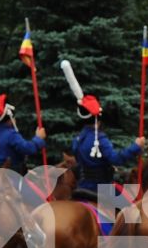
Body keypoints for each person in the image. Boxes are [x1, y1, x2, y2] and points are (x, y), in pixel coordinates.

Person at [60, 58, 141, 207]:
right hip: (102, 189)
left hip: (82, 187)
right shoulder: (100, 139)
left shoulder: (78, 139)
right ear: (98, 118)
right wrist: (135, 146)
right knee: (130, 212)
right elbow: (116, 158)